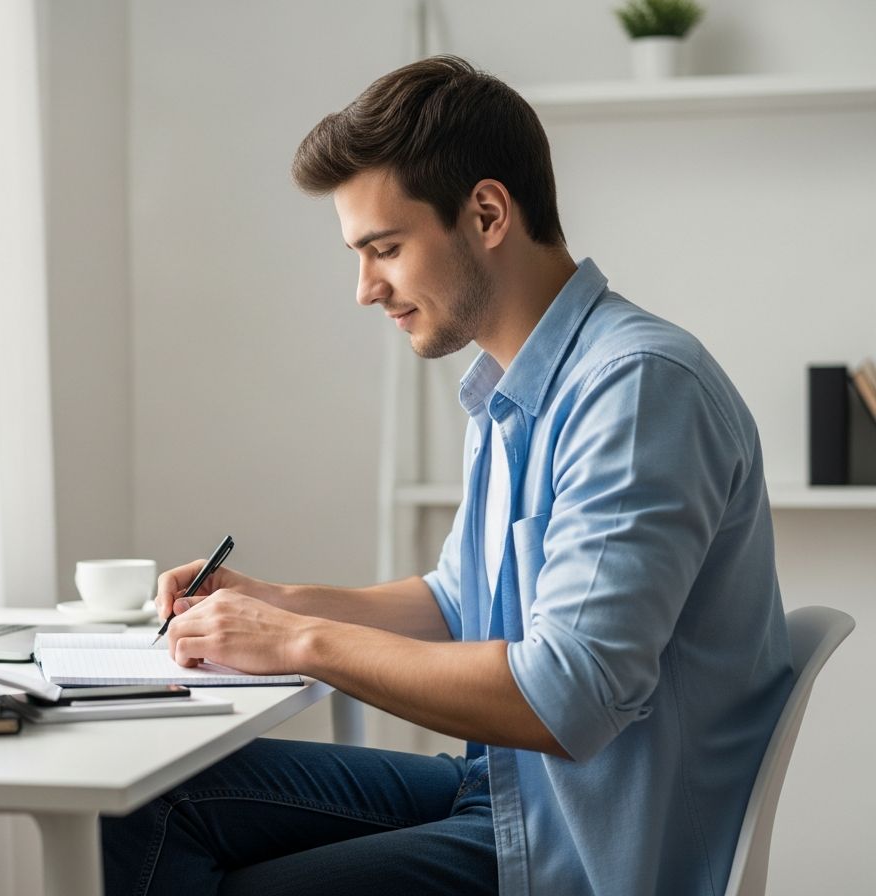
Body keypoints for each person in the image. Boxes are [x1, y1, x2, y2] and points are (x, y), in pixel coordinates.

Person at [101, 55, 792, 896]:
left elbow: (566, 697)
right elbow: (460, 604)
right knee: (144, 803)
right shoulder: (514, 390)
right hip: (509, 795)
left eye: (384, 248)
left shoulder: (638, 389)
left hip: (586, 852)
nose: (365, 289)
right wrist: (278, 602)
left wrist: (298, 643)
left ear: (488, 213)